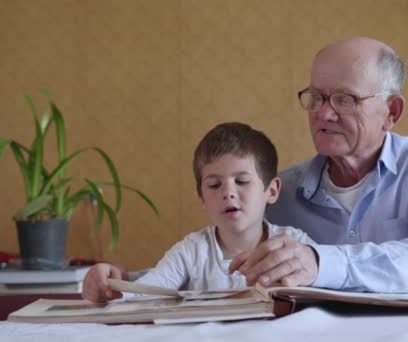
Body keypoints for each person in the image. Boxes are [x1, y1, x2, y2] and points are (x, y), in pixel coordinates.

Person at [228, 36, 408, 293]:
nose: (323, 113)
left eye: (345, 99)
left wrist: (320, 263)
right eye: (317, 97)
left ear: (392, 112)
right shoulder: (278, 194)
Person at [82, 122, 315, 302]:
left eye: (242, 181)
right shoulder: (190, 252)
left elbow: (326, 296)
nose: (228, 192)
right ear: (201, 198)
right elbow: (144, 293)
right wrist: (108, 288)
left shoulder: (294, 245)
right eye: (214, 185)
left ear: (272, 190)